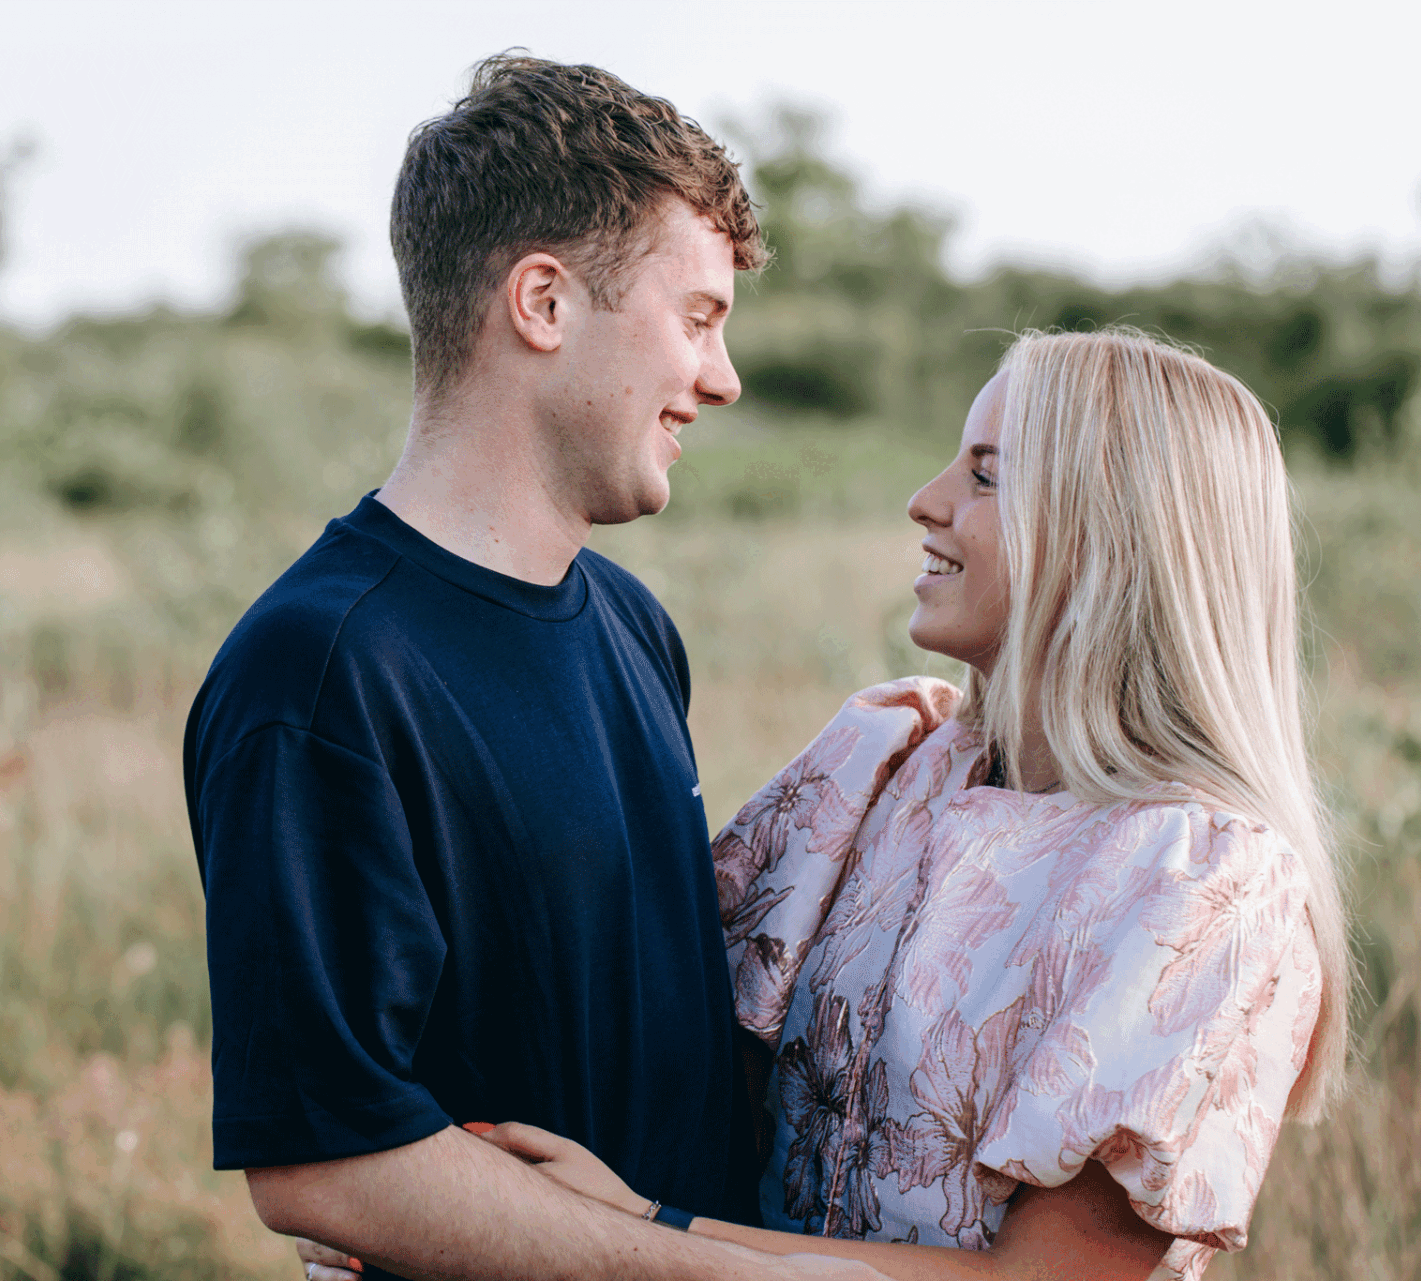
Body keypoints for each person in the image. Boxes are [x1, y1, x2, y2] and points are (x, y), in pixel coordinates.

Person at [425, 329, 1352, 1280]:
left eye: (985, 476)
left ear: (1112, 533)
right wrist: (434, 1188)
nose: (926, 499)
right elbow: (665, 1048)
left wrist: (639, 1232)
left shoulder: (1208, 884)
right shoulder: (881, 760)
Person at [185, 54, 877, 1281]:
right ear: (544, 303)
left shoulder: (634, 625)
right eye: (697, 318)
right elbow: (322, 1159)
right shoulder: (322, 673)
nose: (722, 379)